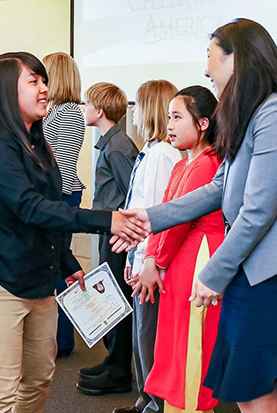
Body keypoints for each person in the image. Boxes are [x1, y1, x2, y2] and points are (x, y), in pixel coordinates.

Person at [117, 19, 277, 413]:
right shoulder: (252, 115)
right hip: (252, 275)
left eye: (211, 56)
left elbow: (258, 210)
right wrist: (148, 218)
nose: (206, 70)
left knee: (259, 397)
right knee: (258, 397)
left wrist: (214, 272)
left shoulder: (276, 114)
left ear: (238, 58)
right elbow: (218, 189)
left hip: (271, 279)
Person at [0, 52, 146, 413]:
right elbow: (29, 206)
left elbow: (46, 213)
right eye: (34, 81)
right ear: (7, 91)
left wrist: (66, 261)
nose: (45, 89)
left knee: (38, 381)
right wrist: (108, 220)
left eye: (44, 81)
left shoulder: (38, 142)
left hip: (38, 279)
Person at [136, 86, 224, 413]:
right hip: (180, 259)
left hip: (199, 255)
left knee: (191, 347)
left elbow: (178, 223)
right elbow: (165, 215)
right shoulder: (181, 164)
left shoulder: (206, 163)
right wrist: (150, 259)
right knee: (175, 343)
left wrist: (154, 262)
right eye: (168, 117)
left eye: (177, 117)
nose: (169, 125)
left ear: (203, 124)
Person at [113, 79, 181, 413]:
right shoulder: (151, 151)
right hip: (140, 256)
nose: (133, 113)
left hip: (150, 261)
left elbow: (154, 215)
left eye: (137, 105)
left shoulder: (160, 156)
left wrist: (143, 261)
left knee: (148, 336)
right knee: (143, 334)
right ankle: (145, 400)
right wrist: (130, 256)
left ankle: (154, 404)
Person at [77, 82, 139, 395]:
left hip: (118, 236)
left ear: (99, 111)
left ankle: (118, 372)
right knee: (110, 296)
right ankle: (113, 359)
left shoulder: (117, 147)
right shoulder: (110, 142)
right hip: (109, 232)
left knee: (117, 299)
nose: (83, 109)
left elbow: (134, 194)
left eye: (87, 104)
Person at [43, 51, 85, 356]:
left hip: (62, 196)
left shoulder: (69, 112)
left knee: (59, 263)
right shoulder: (54, 110)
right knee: (53, 263)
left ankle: (63, 340)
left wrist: (48, 204)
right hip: (52, 196)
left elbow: (65, 167)